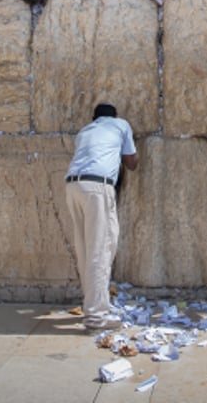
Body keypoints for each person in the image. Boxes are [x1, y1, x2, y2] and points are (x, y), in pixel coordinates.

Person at [64, 103, 138, 331]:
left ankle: (91, 306)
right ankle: (96, 318)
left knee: (85, 251)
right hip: (97, 188)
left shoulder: (85, 131)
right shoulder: (121, 125)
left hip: (73, 187)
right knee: (101, 251)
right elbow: (132, 163)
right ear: (114, 116)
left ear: (94, 118)